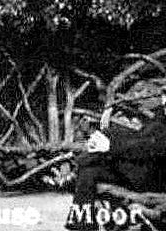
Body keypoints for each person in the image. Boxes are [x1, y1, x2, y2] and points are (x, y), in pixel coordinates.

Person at [65, 88, 166, 231]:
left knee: (101, 153)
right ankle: (81, 226)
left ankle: (77, 167)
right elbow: (139, 138)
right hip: (142, 169)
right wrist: (108, 138)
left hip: (156, 178)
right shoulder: (160, 116)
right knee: (89, 172)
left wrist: (110, 145)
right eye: (164, 96)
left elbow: (152, 146)